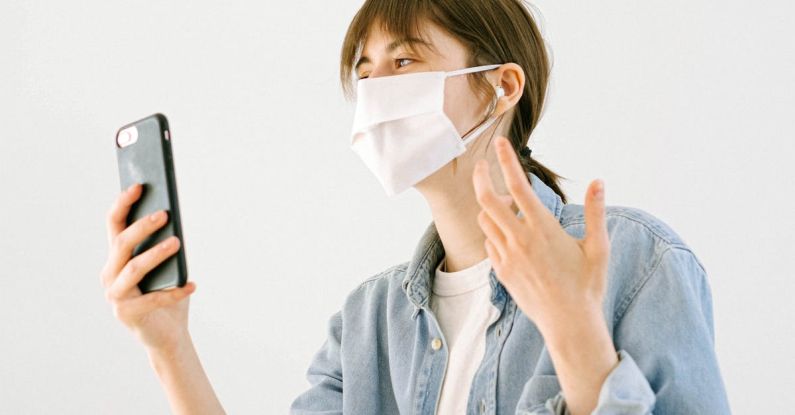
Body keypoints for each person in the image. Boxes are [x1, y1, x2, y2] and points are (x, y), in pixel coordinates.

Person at [100, 1, 731, 414]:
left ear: (501, 85)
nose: (377, 93)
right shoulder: (368, 322)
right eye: (366, 73)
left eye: (404, 61)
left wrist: (574, 332)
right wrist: (169, 346)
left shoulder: (635, 263)